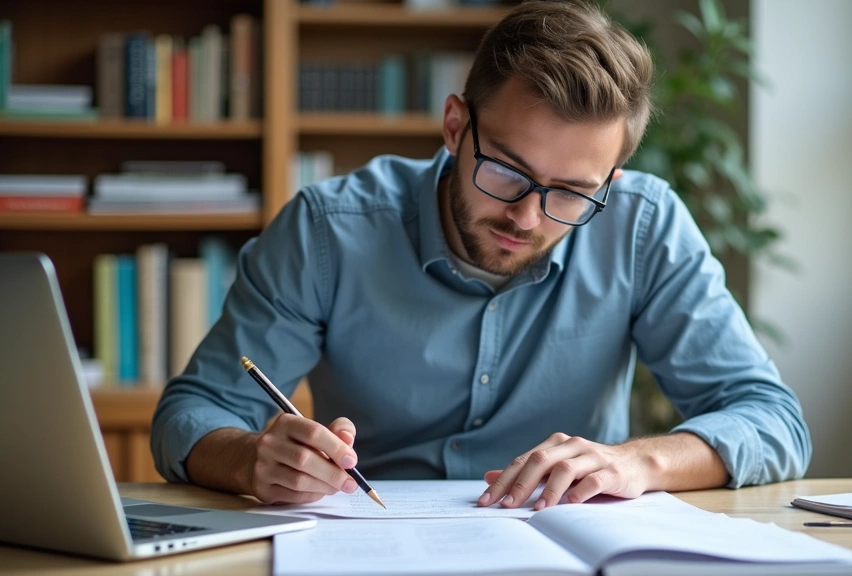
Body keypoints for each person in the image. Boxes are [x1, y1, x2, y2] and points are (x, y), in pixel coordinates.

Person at [152, 0, 811, 510]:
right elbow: (192, 413)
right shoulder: (327, 231)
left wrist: (638, 462)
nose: (526, 216)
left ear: (609, 183)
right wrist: (250, 460)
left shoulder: (644, 225)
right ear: (454, 127)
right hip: (377, 544)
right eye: (506, 171)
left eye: (572, 192)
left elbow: (773, 419)